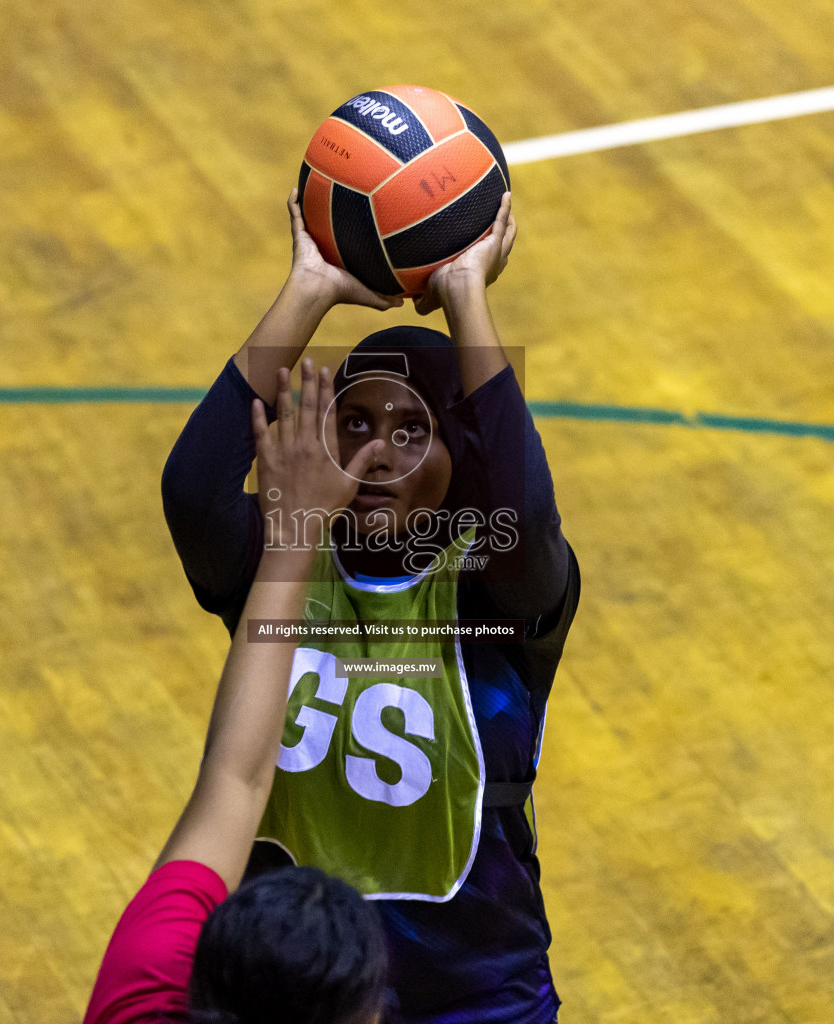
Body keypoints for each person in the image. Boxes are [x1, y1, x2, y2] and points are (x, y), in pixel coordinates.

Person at [160, 189, 581, 1024]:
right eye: (352, 423)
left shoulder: (490, 590)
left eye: (410, 430)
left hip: (474, 998)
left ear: (461, 458)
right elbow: (193, 490)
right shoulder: (280, 564)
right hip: (291, 996)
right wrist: (309, 288)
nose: (376, 451)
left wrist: (467, 296)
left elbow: (526, 511)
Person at [85, 361, 391, 1024]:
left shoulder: (146, 992)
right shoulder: (142, 991)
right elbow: (236, 777)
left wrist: (292, 539)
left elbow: (236, 778)